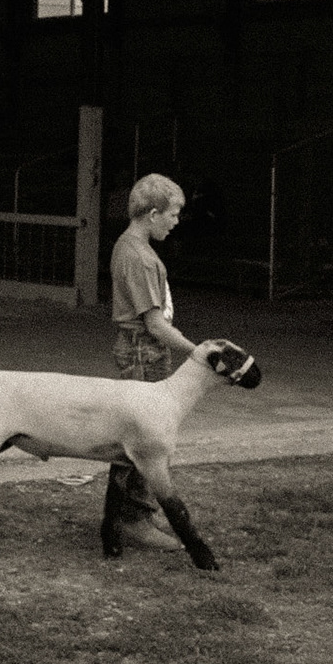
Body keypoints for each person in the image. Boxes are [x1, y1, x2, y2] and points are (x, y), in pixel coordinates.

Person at [106, 172, 195, 549]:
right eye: (174, 214)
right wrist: (199, 353)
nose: (176, 222)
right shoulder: (141, 258)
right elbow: (155, 324)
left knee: (135, 437)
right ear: (154, 213)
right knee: (145, 441)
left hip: (140, 349)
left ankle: (122, 519)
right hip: (145, 351)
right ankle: (133, 520)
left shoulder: (128, 247)